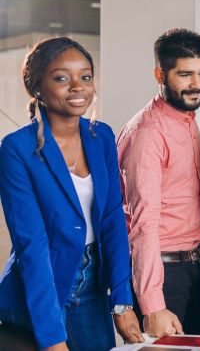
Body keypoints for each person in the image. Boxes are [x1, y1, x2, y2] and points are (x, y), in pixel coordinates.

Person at [0, 37, 143, 350]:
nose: (78, 86)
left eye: (86, 76)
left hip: (93, 284)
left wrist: (122, 303)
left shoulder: (101, 136)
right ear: (36, 87)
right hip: (40, 289)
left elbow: (112, 219)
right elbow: (31, 245)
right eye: (62, 77)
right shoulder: (17, 149)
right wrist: (52, 338)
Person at [118, 28, 200, 337]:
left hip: (195, 266)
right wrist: (152, 305)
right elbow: (143, 224)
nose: (196, 84)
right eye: (185, 75)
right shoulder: (147, 133)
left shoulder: (187, 119)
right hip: (164, 275)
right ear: (160, 74)